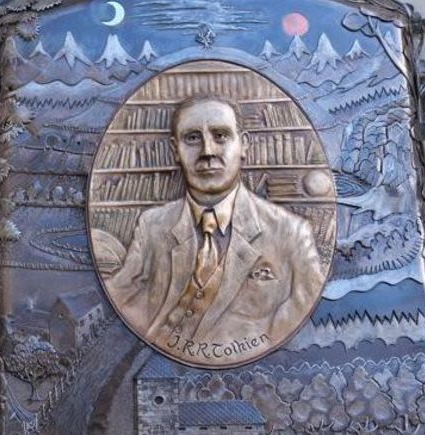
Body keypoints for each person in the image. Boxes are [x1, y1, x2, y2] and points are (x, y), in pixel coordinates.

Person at [104, 95, 326, 364]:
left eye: (220, 136)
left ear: (243, 144)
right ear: (175, 149)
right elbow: (116, 301)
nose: (207, 151)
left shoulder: (291, 234)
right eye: (193, 138)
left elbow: (306, 324)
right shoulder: (152, 225)